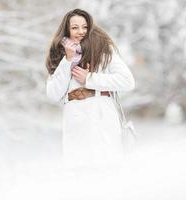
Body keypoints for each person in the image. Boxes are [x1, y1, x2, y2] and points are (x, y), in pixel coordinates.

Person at [45, 8, 135, 167]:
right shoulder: (60, 55)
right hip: (75, 119)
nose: (80, 31)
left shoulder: (103, 49)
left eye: (84, 27)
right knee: (80, 171)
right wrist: (68, 59)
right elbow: (53, 94)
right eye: (74, 27)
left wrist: (90, 79)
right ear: (67, 30)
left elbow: (127, 81)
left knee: (106, 167)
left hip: (101, 113)